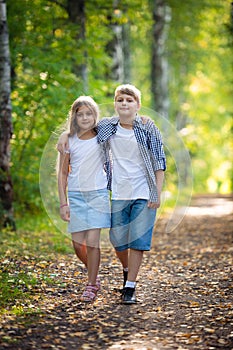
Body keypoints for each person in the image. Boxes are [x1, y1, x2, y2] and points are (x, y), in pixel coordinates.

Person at [57, 84, 166, 304]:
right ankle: (126, 268)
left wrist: (157, 192)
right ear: (115, 104)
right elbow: (83, 127)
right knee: (117, 240)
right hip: (118, 191)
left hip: (144, 191)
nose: (124, 104)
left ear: (138, 105)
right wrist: (64, 134)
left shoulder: (148, 127)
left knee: (137, 239)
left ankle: (130, 287)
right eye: (120, 100)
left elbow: (159, 161)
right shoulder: (108, 127)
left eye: (129, 100)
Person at [57, 96, 111, 302]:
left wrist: (141, 120)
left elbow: (121, 122)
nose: (85, 117)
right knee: (77, 244)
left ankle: (91, 284)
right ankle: (94, 273)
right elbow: (63, 174)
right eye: (81, 114)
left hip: (97, 194)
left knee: (92, 242)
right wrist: (64, 203)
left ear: (95, 115)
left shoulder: (102, 136)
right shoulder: (69, 141)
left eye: (89, 113)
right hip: (76, 196)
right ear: (75, 117)